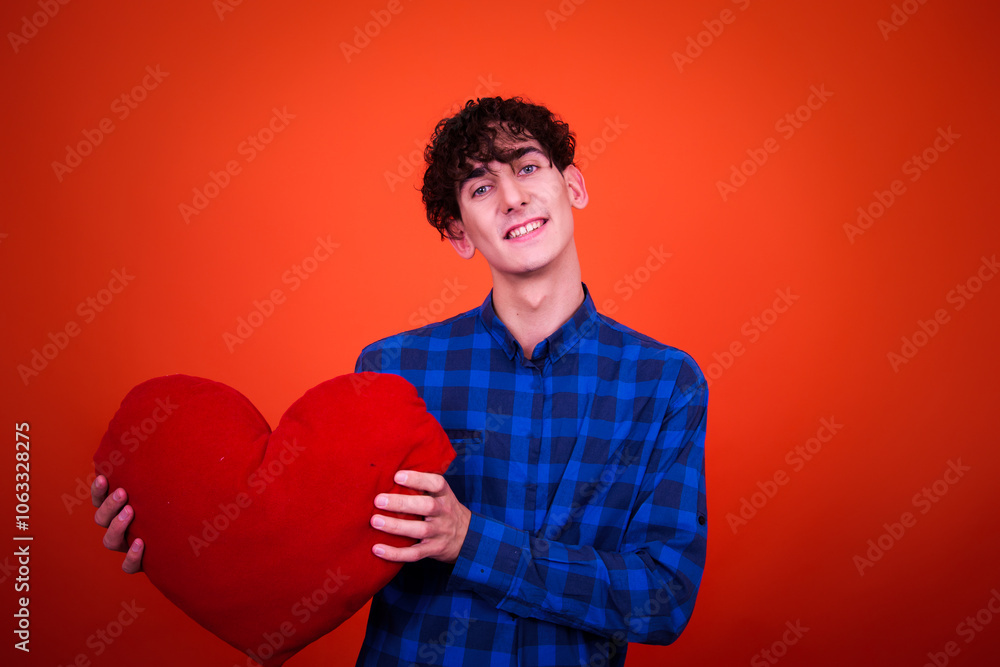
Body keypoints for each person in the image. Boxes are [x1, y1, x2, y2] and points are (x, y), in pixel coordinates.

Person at [92, 96, 709, 666]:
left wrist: (468, 540)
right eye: (480, 186)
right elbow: (315, 544)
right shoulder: (392, 372)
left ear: (571, 185)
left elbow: (662, 598)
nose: (512, 199)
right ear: (460, 234)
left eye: (526, 168)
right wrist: (190, 537)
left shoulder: (666, 383)